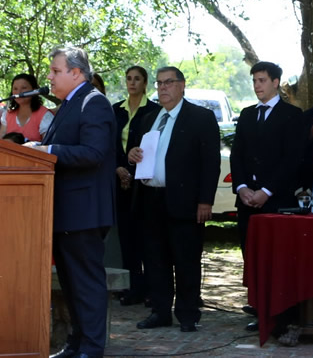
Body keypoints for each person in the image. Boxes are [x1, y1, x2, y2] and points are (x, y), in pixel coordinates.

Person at [33, 47, 116, 358]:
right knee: (70, 284)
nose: (50, 77)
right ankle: (77, 343)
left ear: (76, 73)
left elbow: (93, 153)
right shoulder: (70, 103)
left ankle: (92, 348)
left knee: (86, 283)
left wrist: (47, 150)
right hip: (64, 211)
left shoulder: (93, 103)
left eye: (55, 71)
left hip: (84, 211)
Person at [127, 66, 221, 333]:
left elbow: (210, 163)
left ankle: (188, 314)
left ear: (182, 85)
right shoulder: (150, 118)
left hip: (186, 201)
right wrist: (133, 154)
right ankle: (160, 311)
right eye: (159, 83)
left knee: (186, 259)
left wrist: (206, 201)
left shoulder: (200, 118)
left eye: (168, 83)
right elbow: (137, 152)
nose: (163, 88)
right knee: (155, 259)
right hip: (150, 198)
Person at [229, 61, 304, 331]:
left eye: (262, 80)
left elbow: (292, 160)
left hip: (277, 201)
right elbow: (237, 155)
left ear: (275, 82)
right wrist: (242, 188)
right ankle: (260, 311)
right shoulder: (247, 115)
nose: (257, 86)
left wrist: (266, 191)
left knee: (277, 259)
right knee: (252, 256)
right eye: (254, 81)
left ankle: (282, 314)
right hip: (247, 200)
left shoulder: (292, 115)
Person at [111, 65, 161, 307]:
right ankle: (133, 288)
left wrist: (131, 172)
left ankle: (152, 289)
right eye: (129, 78)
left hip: (143, 182)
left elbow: (153, 148)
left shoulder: (154, 111)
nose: (132, 83)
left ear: (145, 83)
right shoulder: (115, 110)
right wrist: (118, 168)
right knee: (126, 237)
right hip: (118, 180)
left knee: (146, 237)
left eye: (137, 79)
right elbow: (108, 144)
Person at [0, 73, 53, 142]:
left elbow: (48, 146)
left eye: (24, 88)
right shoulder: (7, 115)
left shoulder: (45, 115)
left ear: (34, 90)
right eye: (15, 89)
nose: (19, 92)